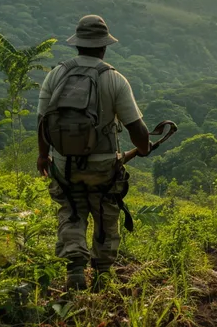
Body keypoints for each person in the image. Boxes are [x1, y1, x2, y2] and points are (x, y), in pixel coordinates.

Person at [37, 15, 150, 291]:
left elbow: (42, 121)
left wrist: (43, 156)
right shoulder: (114, 79)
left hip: (65, 163)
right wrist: (144, 148)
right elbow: (137, 127)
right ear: (104, 46)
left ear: (78, 45)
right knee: (105, 212)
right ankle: (102, 273)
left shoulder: (56, 74)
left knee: (72, 208)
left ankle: (75, 267)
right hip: (103, 166)